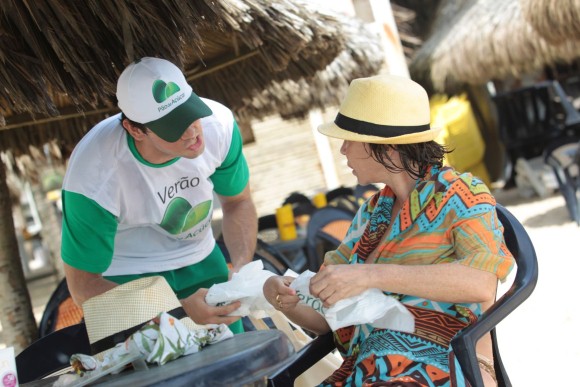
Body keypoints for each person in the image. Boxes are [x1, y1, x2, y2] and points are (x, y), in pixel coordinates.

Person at [263, 74, 515, 386]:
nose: (342, 151)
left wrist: (369, 275)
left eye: (349, 140)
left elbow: (480, 285)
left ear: (388, 147)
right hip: (372, 367)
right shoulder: (370, 215)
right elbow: (327, 318)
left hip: (445, 362)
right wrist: (288, 299)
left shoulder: (460, 194)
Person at [61, 57, 258, 333]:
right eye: (174, 126)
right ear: (135, 129)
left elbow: (238, 202)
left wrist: (241, 267)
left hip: (201, 260)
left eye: (191, 114)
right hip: (125, 281)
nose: (192, 133)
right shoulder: (94, 174)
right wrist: (177, 308)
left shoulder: (219, 125)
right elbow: (82, 285)